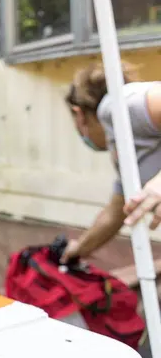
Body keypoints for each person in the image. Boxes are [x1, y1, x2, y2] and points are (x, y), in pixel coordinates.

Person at [61, 64, 161, 263]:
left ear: (79, 115)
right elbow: (116, 213)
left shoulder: (117, 106)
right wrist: (78, 249)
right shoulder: (124, 144)